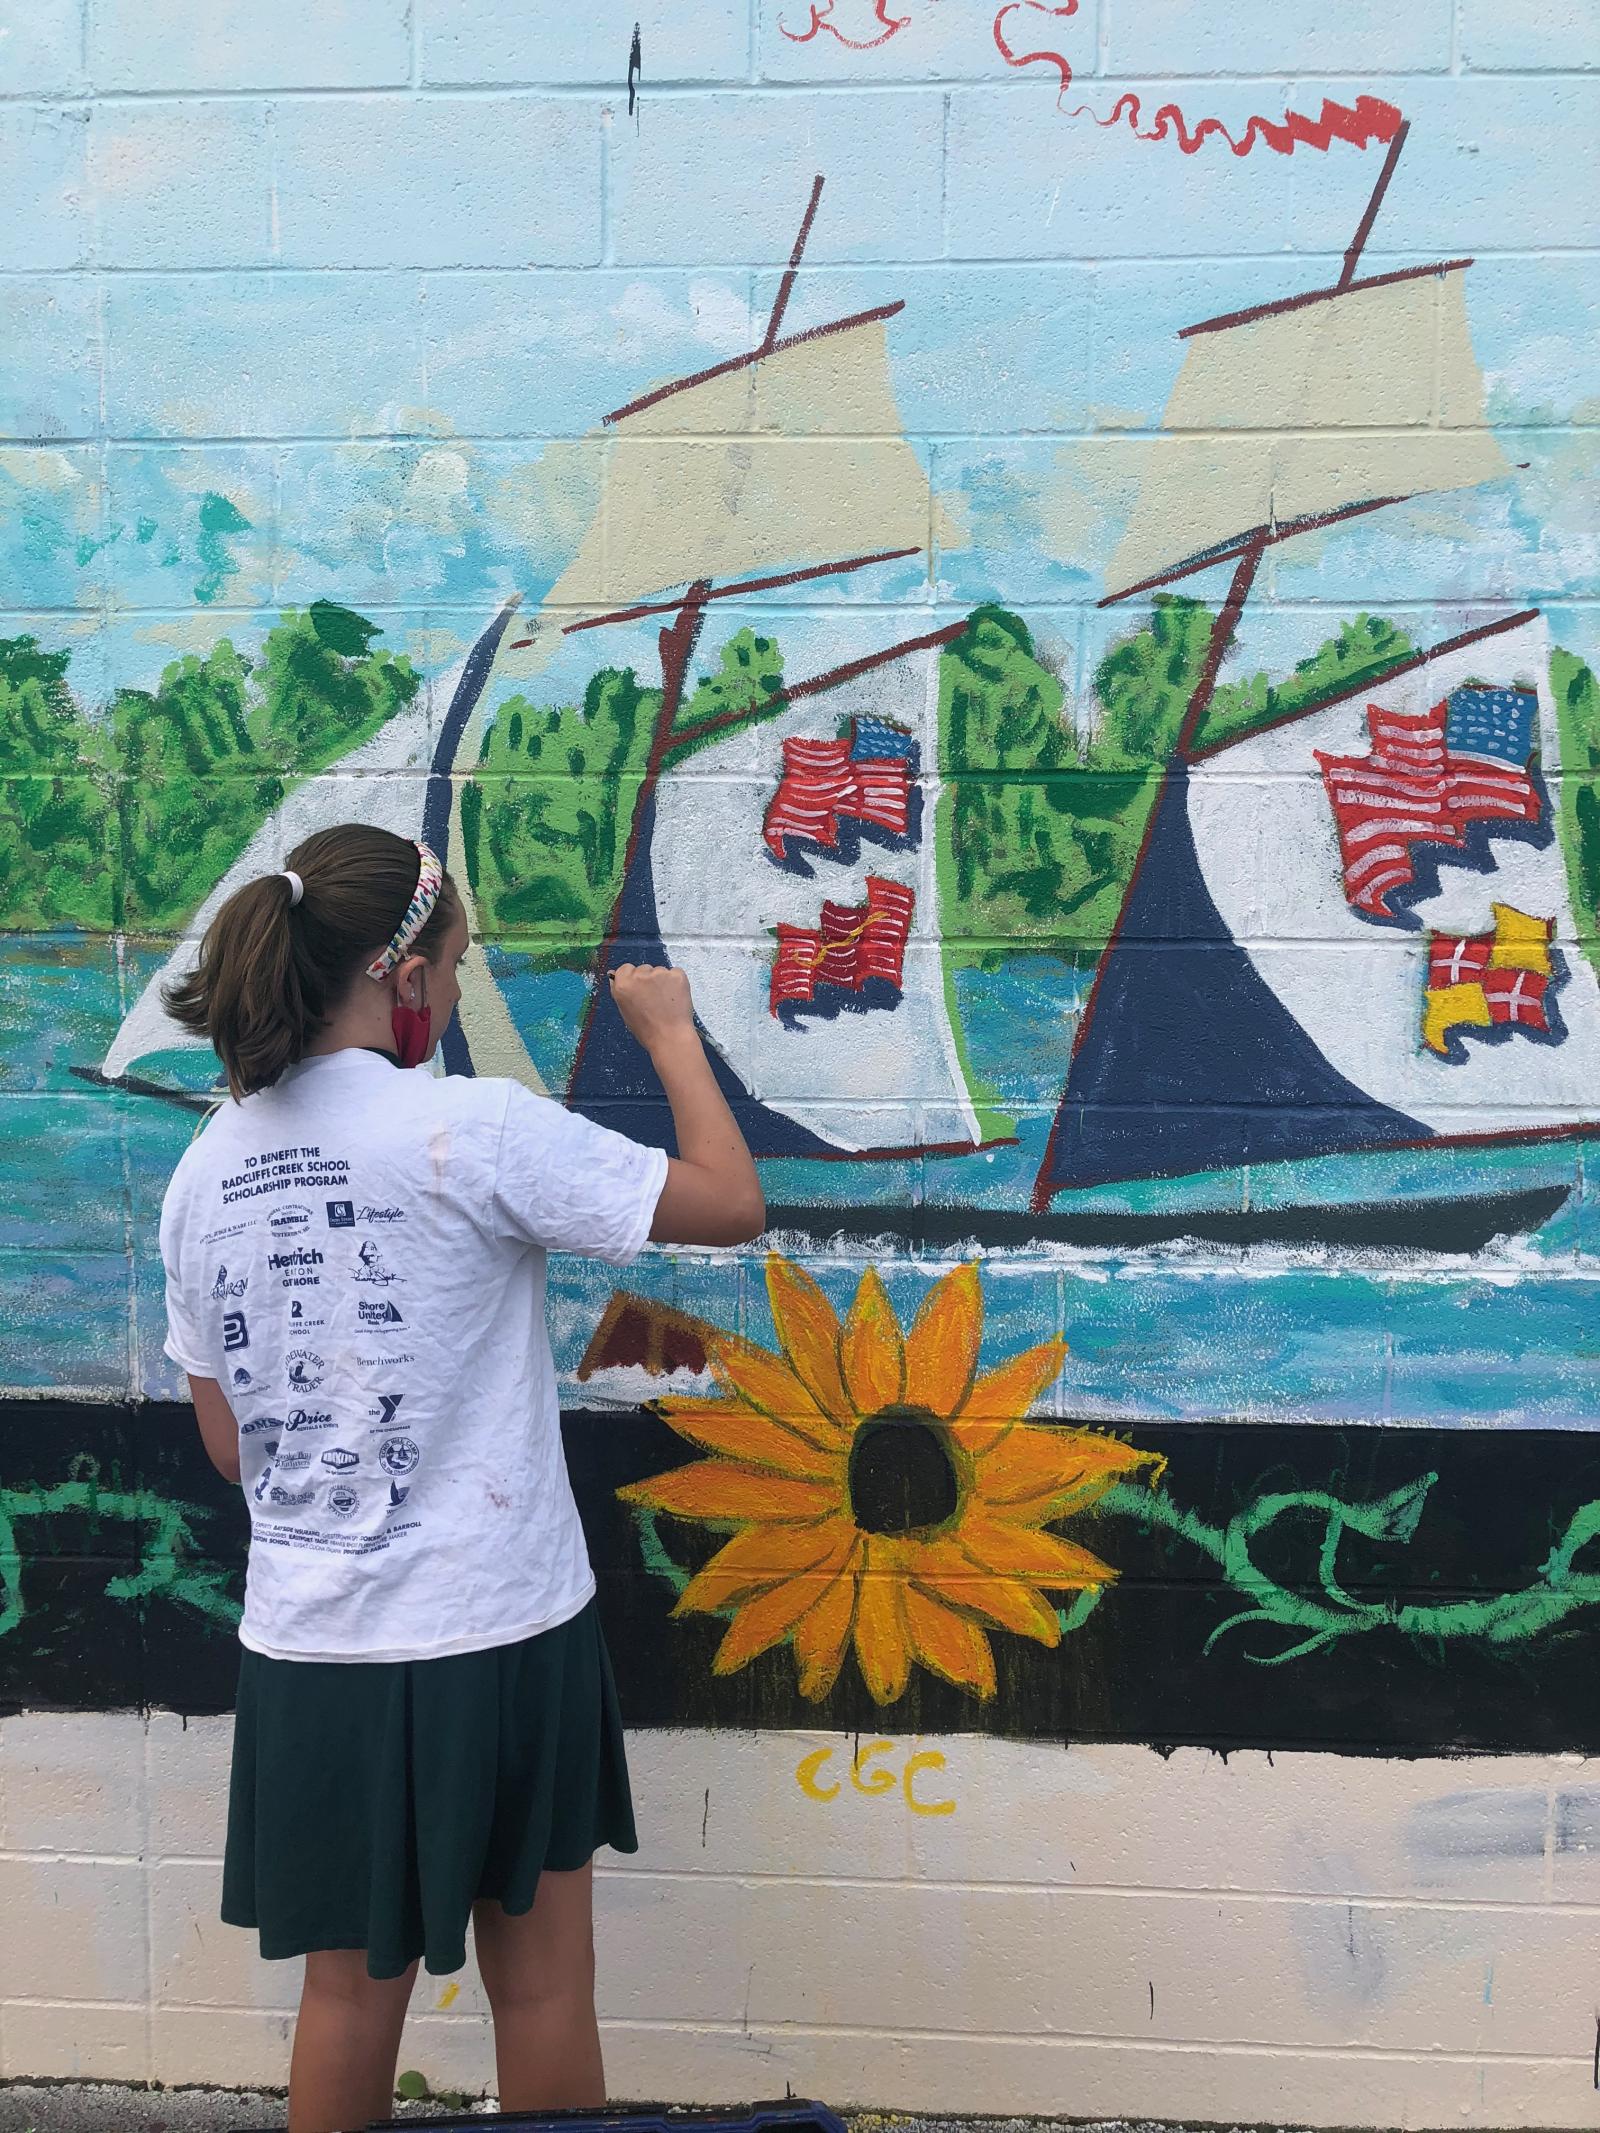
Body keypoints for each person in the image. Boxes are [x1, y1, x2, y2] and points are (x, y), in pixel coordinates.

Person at [157, 824, 764, 2133]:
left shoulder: (202, 1171)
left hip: (313, 1647)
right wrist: (667, 1031)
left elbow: (228, 1443)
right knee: (541, 1991)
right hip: (501, 1632)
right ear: (404, 974)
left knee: (344, 1998)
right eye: (454, 961)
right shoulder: (471, 1127)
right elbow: (728, 1199)